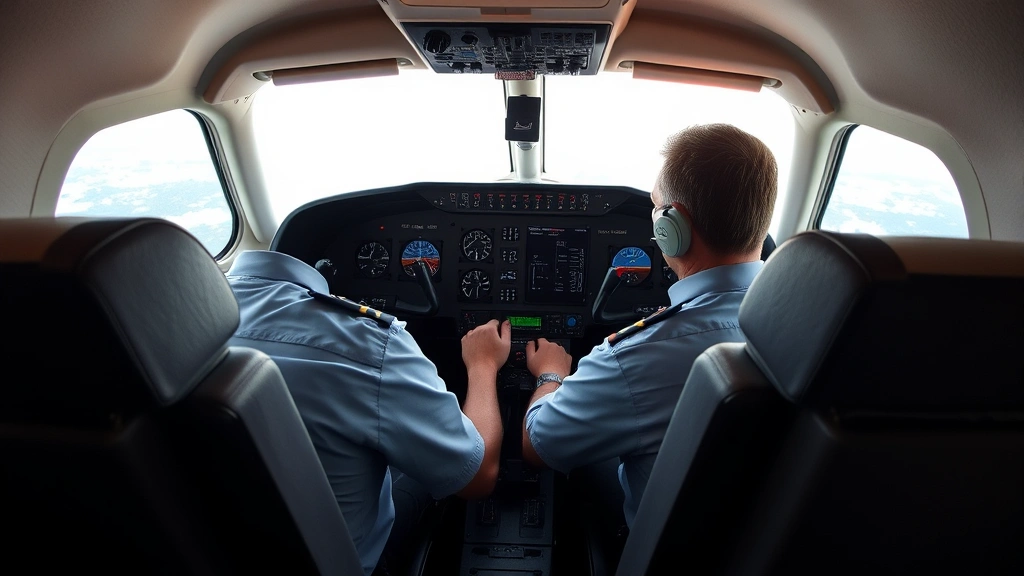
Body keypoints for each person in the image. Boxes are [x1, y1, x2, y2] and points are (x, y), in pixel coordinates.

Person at [519, 123, 778, 563]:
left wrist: (552, 375)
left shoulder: (636, 356)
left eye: (657, 210)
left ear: (674, 226)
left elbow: (539, 444)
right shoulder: (815, 329)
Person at [225, 250, 510, 575]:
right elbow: (478, 477)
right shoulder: (370, 341)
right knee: (432, 463)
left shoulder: (172, 333)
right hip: (342, 563)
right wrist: (483, 365)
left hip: (210, 550)